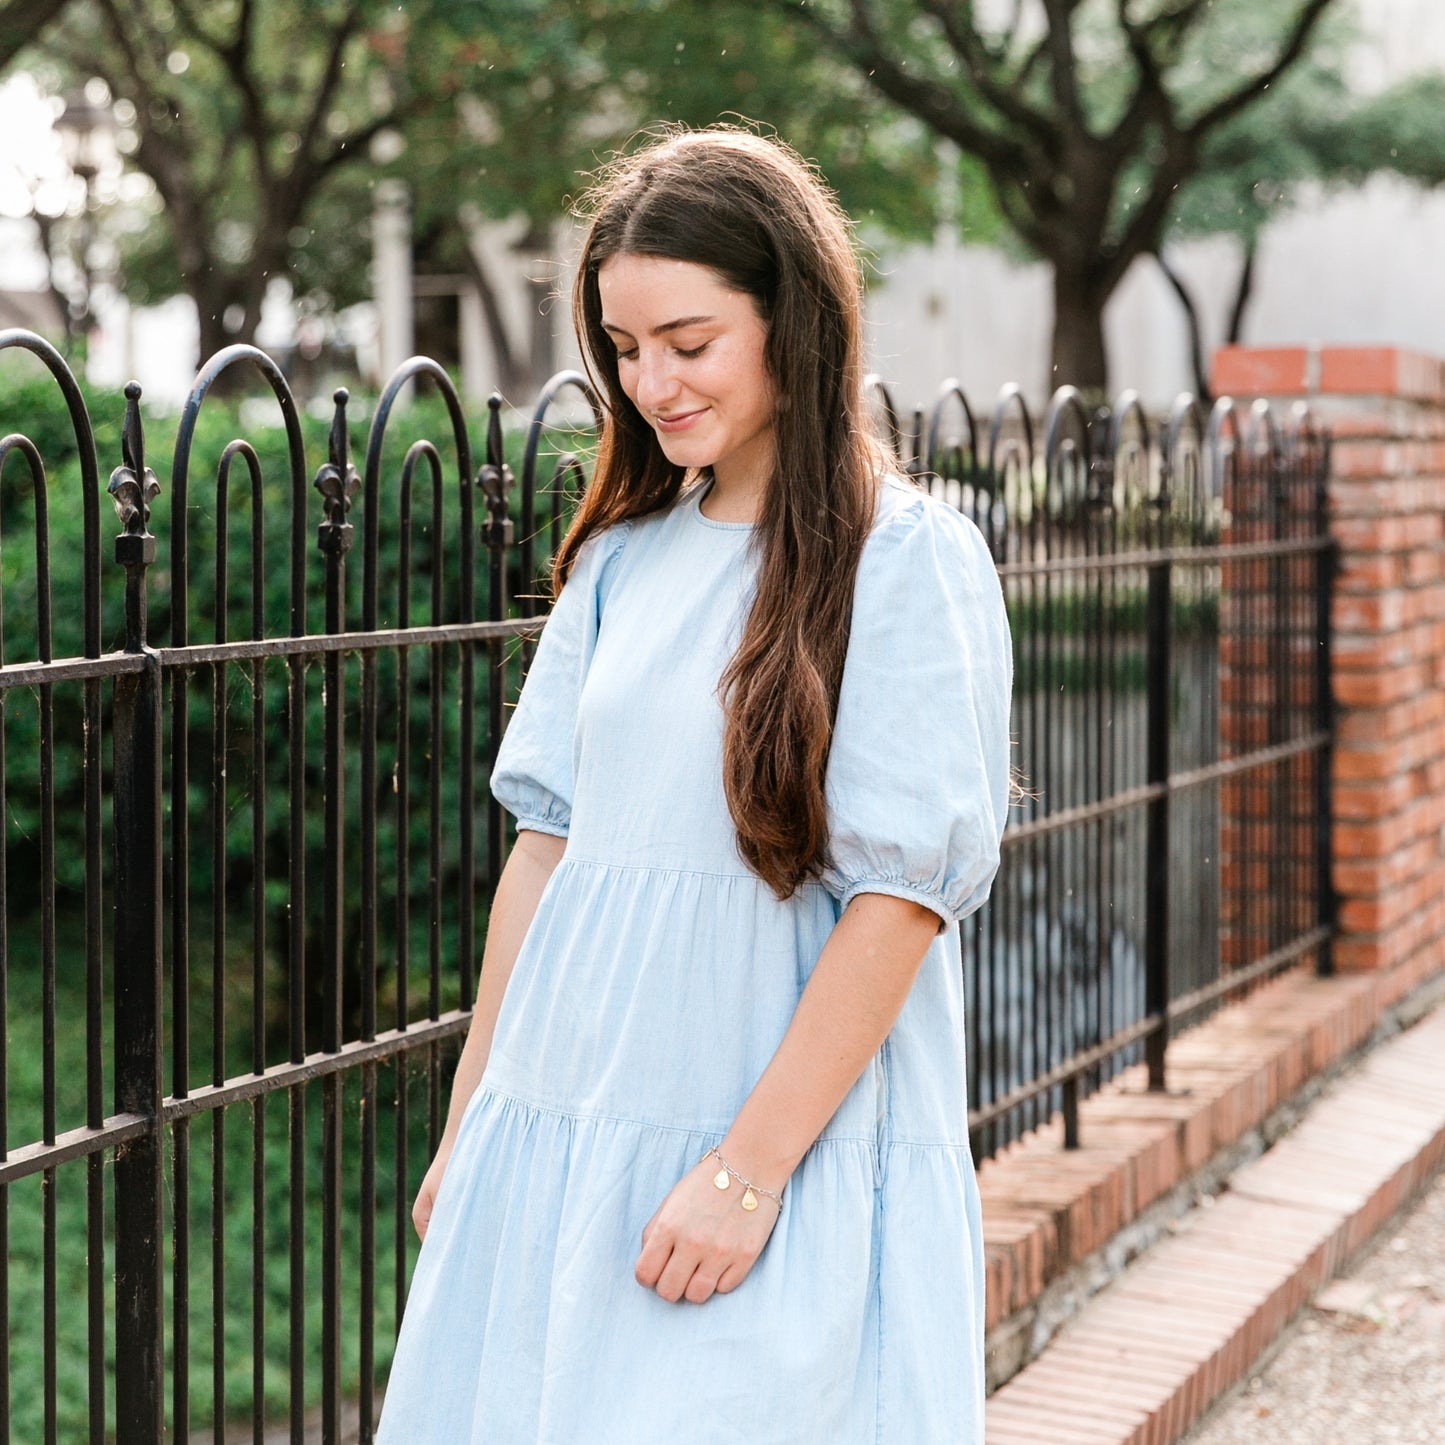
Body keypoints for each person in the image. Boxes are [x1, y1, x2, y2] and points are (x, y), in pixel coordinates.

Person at [375, 125, 1013, 1444]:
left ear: (793, 319)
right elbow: (546, 849)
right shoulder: (620, 559)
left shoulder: (907, 564)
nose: (646, 380)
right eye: (620, 345)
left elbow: (898, 902)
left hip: (764, 1144)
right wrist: (473, 1122)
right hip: (564, 1119)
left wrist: (746, 1170)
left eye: (688, 340)